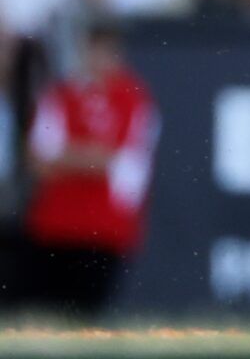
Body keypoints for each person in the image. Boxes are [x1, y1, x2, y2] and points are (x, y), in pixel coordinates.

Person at [21, 22, 158, 318]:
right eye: (94, 50)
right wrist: (92, 157)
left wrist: (70, 156)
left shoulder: (133, 99)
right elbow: (39, 161)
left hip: (106, 228)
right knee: (48, 312)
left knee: (91, 314)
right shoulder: (60, 95)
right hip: (57, 223)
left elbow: (125, 162)